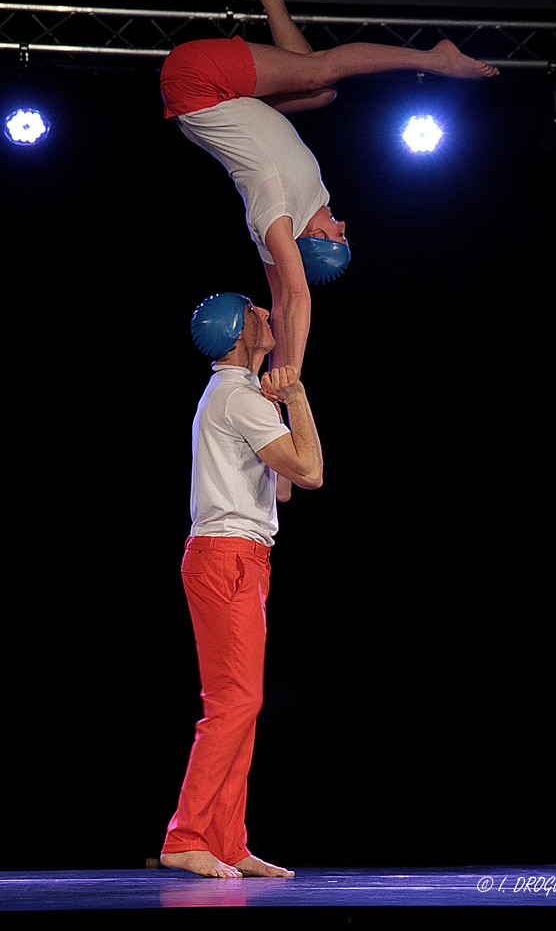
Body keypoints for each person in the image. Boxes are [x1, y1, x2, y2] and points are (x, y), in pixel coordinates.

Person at [161, 0, 498, 376]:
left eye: (336, 233)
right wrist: (275, 383)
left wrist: (290, 379)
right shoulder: (294, 218)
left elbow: (298, 297)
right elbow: (280, 307)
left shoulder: (278, 215)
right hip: (216, 101)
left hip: (197, 82)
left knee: (322, 69)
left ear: (314, 240)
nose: (342, 222)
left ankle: (436, 59)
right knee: (322, 93)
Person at [160, 292, 323, 878]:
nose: (267, 313)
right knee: (235, 702)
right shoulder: (236, 396)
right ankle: (187, 836)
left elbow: (279, 487)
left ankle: (226, 840)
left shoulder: (243, 399)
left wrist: (279, 408)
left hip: (238, 557)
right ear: (236, 331)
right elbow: (310, 473)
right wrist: (298, 397)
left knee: (241, 704)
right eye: (256, 310)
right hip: (227, 556)